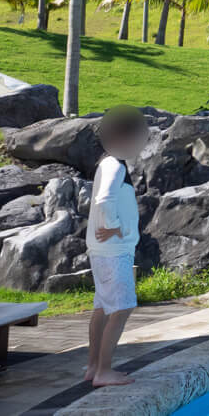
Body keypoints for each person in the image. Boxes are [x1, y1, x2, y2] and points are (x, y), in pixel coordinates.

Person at [86, 106, 149, 387]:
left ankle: (93, 367)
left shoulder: (109, 162)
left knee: (103, 308)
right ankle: (103, 371)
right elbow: (103, 199)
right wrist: (113, 226)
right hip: (113, 252)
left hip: (105, 251)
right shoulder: (113, 165)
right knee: (121, 308)